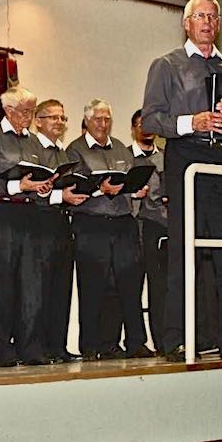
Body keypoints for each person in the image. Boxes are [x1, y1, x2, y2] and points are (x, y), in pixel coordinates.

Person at [141, 0, 222, 362]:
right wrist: (193, 121)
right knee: (183, 251)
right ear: (186, 24)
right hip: (187, 158)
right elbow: (150, 120)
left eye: (212, 17)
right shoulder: (166, 65)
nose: (207, 22)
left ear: (218, 25)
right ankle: (175, 338)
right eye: (200, 16)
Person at [0, 87, 85, 366]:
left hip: (32, 214)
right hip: (2, 214)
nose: (28, 116)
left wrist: (45, 186)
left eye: (31, 111)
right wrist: (18, 185)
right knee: (1, 284)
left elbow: (40, 181)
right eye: (25, 111)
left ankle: (30, 347)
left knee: (32, 286)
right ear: (9, 110)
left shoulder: (34, 142)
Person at [67, 99, 153, 359]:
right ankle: (92, 346)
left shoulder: (121, 149)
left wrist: (136, 190)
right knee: (93, 286)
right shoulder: (75, 150)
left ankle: (132, 342)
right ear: (87, 121)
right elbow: (75, 186)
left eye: (107, 119)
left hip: (123, 221)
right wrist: (99, 189)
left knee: (128, 284)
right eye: (98, 119)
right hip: (91, 222)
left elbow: (129, 179)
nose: (103, 124)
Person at [31, 98, 86, 362]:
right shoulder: (33, 149)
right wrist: (59, 196)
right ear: (38, 121)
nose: (59, 122)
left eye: (63, 118)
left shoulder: (63, 153)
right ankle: (40, 346)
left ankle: (58, 346)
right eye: (53, 117)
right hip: (39, 222)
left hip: (63, 222)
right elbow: (32, 192)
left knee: (61, 287)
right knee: (40, 288)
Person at [130, 110, 167, 354]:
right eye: (141, 124)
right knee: (131, 286)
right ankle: (135, 342)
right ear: (133, 128)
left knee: (159, 286)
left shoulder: (165, 157)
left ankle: (163, 341)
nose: (146, 129)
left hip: (158, 227)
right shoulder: (124, 156)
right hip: (130, 227)